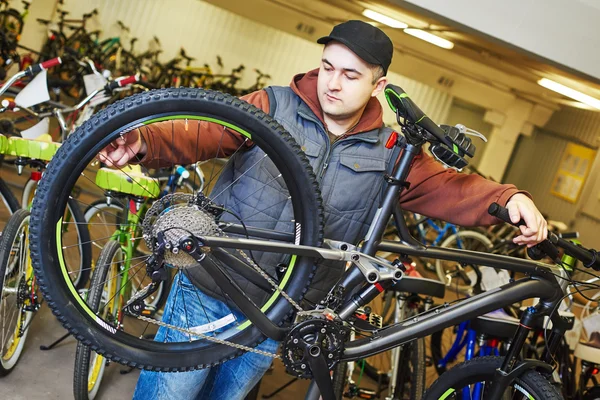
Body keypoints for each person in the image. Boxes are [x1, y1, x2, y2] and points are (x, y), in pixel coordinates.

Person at [100, 20, 547, 400]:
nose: (332, 83)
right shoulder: (272, 106)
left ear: (379, 85)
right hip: (211, 288)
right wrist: (144, 141)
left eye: (351, 75)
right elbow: (200, 131)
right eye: (327, 67)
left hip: (280, 314)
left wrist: (511, 199)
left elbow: (452, 187)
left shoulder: (391, 152)